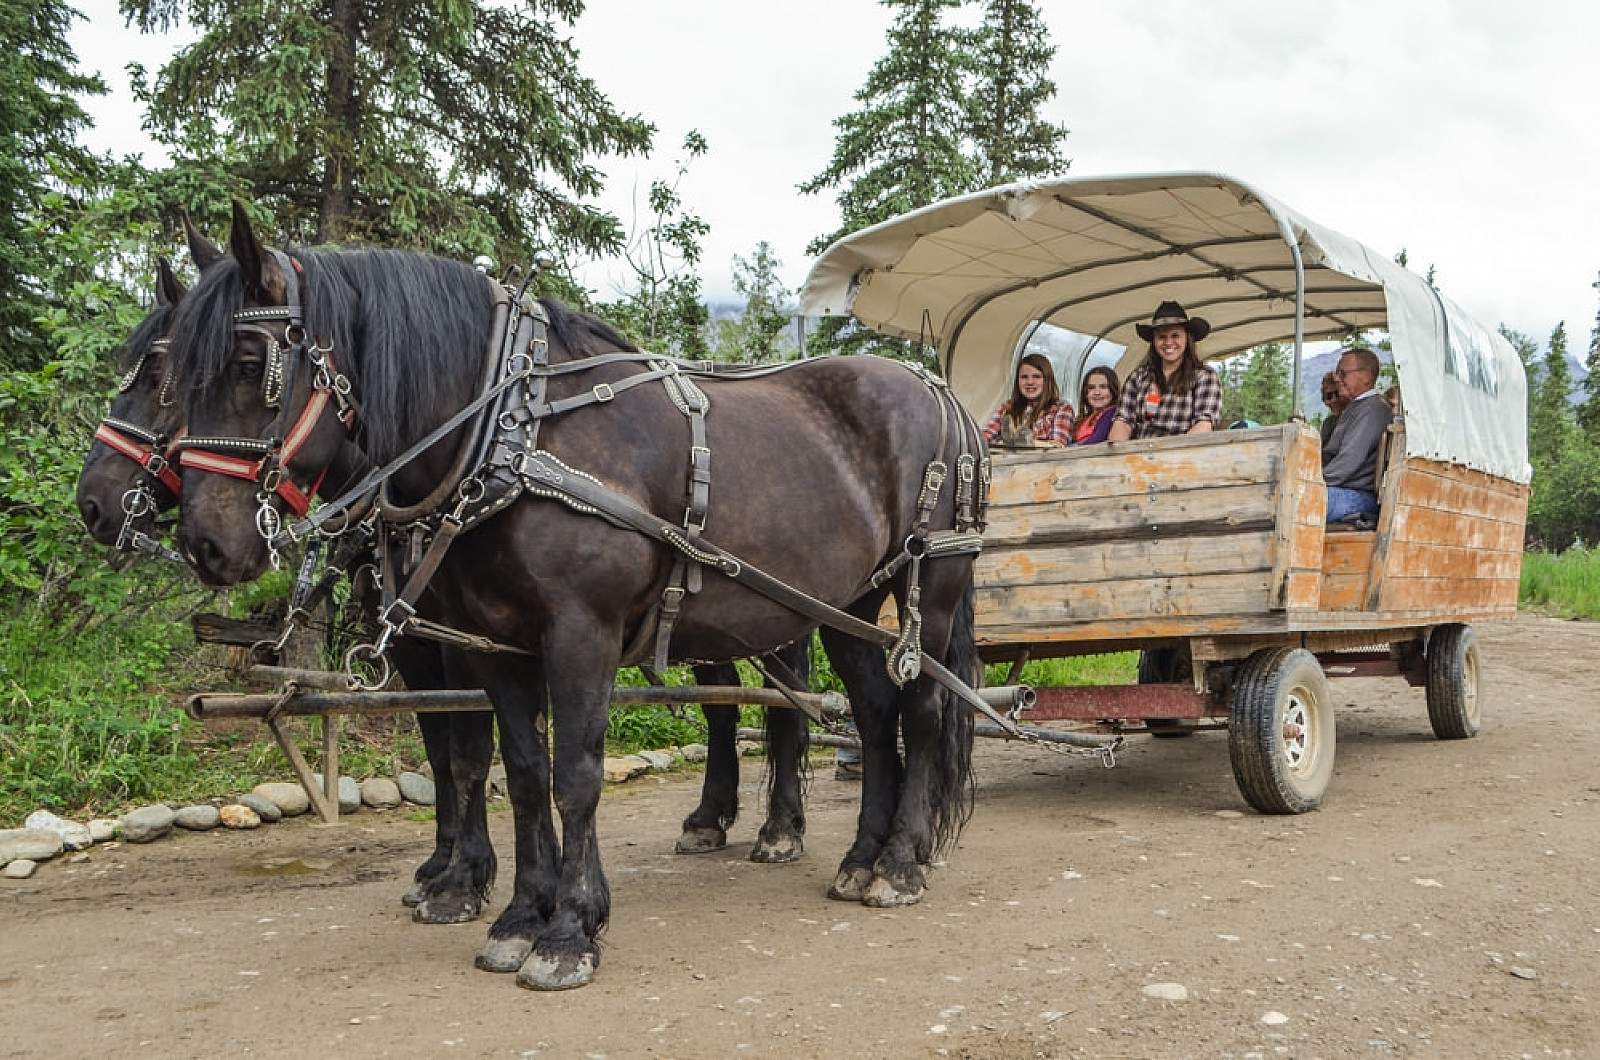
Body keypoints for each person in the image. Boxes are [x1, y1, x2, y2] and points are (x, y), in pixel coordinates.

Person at [1107, 301, 1222, 441]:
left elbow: (1204, 424)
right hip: (1140, 455)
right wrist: (1117, 453)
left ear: (1187, 338)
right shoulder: (1138, 377)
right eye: (1162, 336)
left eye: (1175, 336)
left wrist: (1173, 456)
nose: (1168, 343)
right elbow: (1123, 421)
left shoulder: (1205, 376)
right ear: (1154, 341)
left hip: (1185, 454)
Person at [1321, 347, 1394, 524]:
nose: (1337, 378)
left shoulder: (1372, 409)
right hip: (1343, 490)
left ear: (1366, 377)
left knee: (1297, 498)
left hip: (1357, 496)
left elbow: (1349, 460)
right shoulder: (1357, 407)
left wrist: (1313, 480)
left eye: (1342, 373)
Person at [981, 353, 1074, 447]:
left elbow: (1058, 445)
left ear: (1047, 380)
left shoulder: (1062, 408)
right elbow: (985, 436)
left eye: (1036, 377)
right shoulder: (1007, 407)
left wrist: (1024, 443)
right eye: (1024, 377)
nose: (1030, 382)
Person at [1071, 366, 1120, 445]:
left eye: (1103, 387)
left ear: (1113, 390)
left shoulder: (1113, 413)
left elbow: (1097, 440)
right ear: (1085, 393)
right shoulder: (1082, 419)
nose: (1097, 392)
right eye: (1091, 388)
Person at [1319, 371, 1347, 450]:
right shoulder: (1328, 423)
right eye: (1329, 396)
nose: (1334, 400)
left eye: (1337, 394)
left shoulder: (1353, 419)